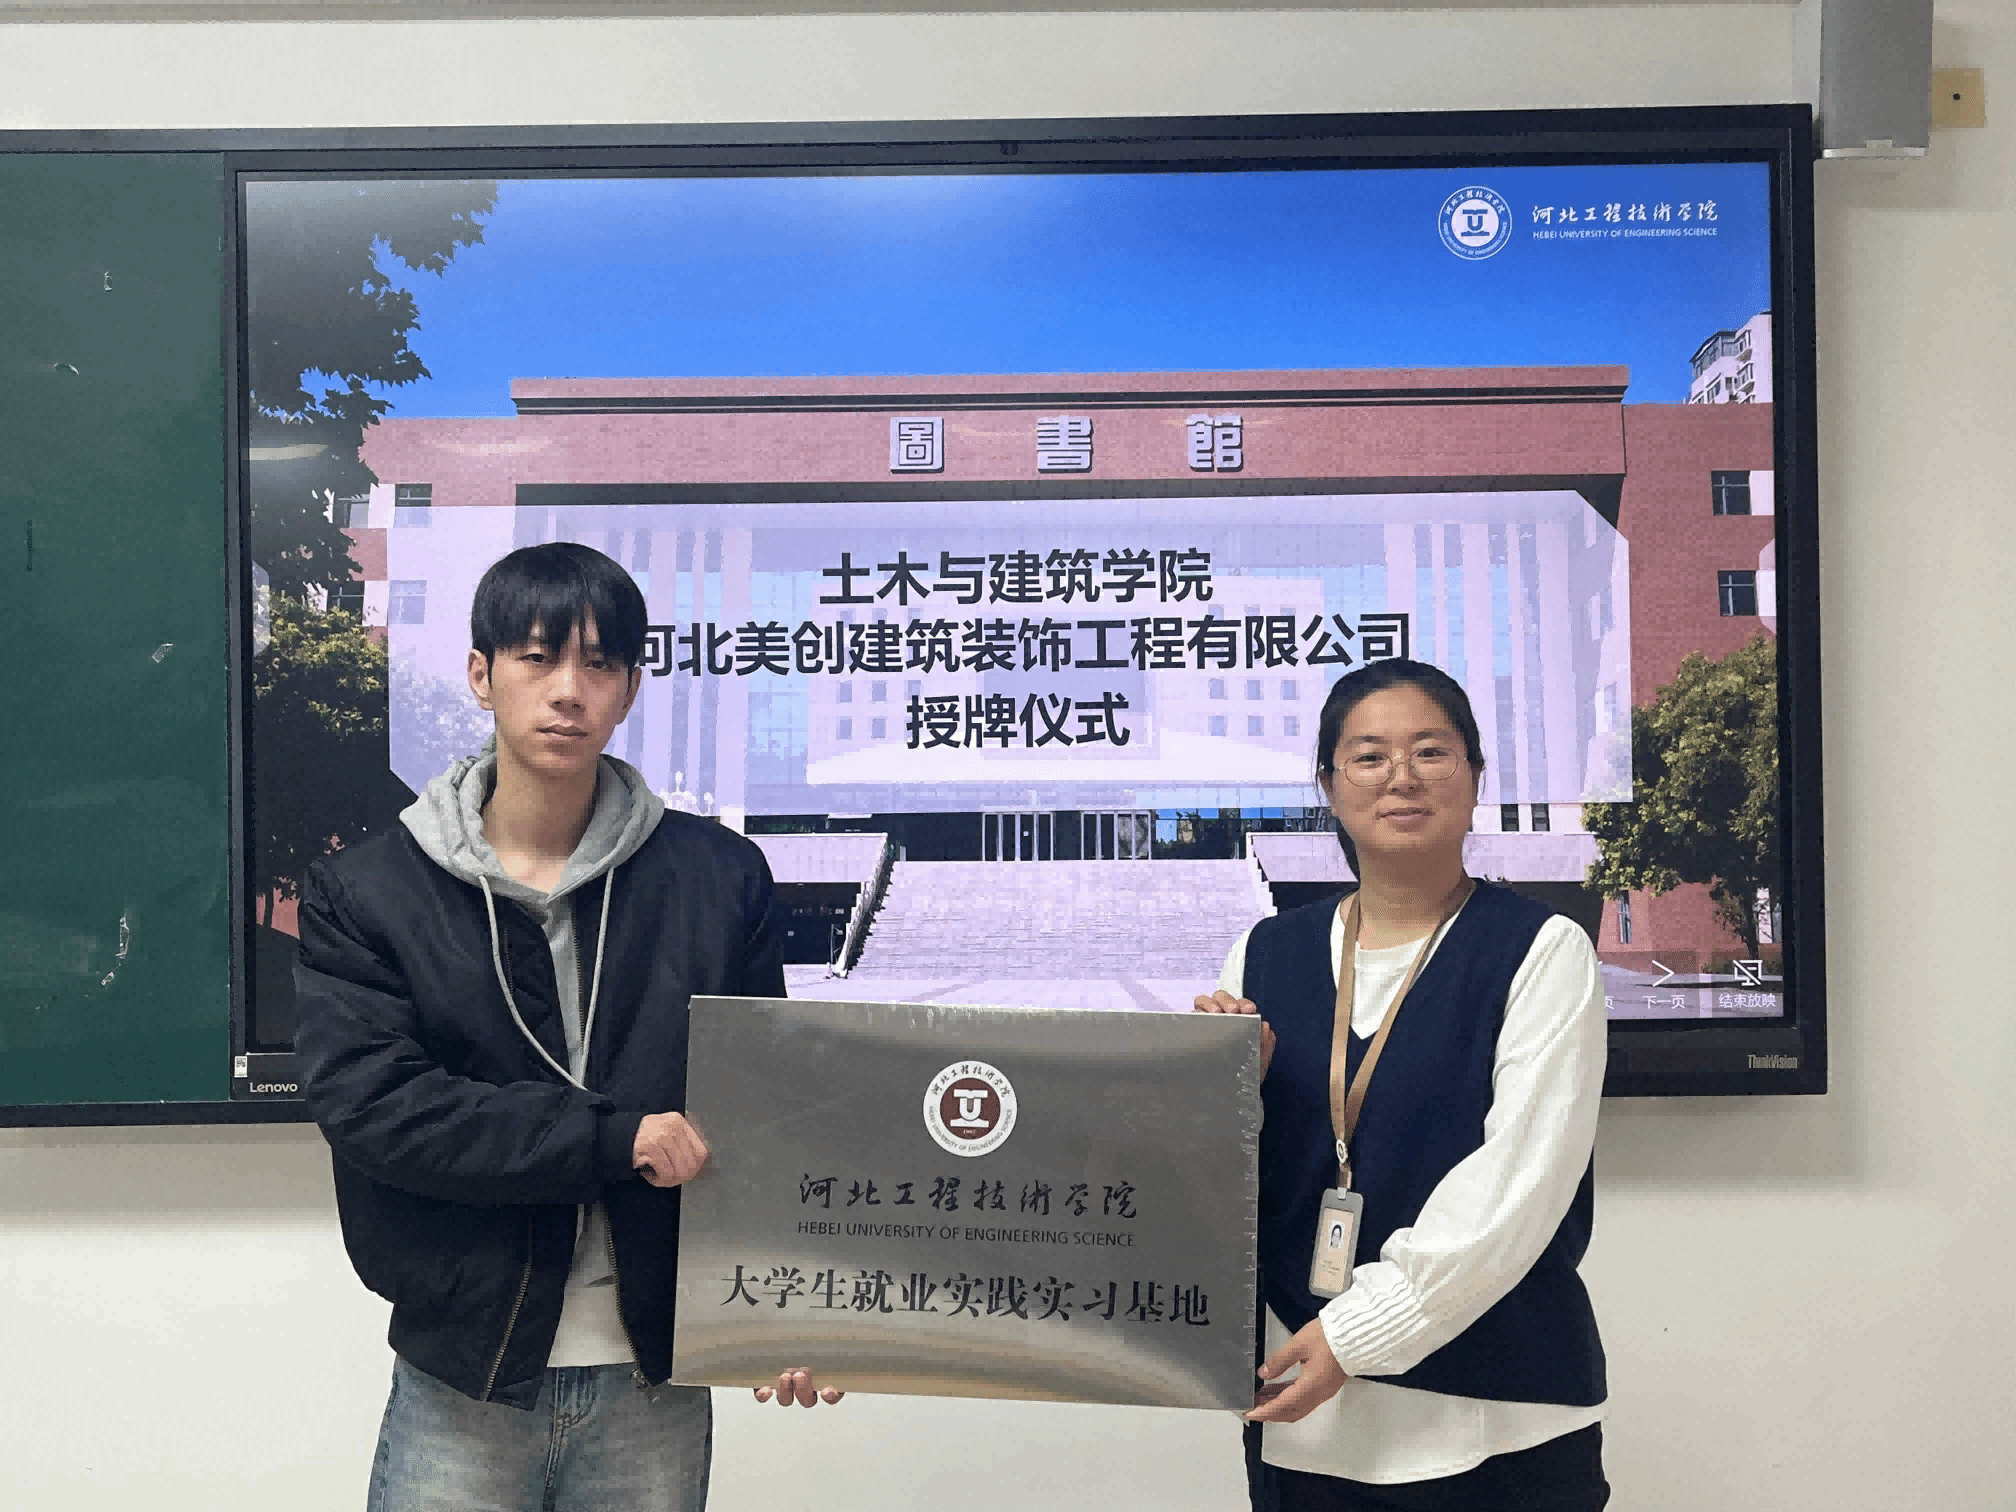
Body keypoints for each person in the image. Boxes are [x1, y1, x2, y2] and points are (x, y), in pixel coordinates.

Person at [294, 542, 836, 1512]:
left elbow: (770, 1114)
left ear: (630, 688)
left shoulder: (719, 880)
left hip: (654, 1378)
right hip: (465, 1371)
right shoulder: (370, 892)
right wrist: (613, 1140)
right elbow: (376, 1109)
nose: (567, 692)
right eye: (536, 658)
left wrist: (793, 1308)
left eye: (599, 663)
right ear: (481, 674)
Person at [1196, 657, 1609, 1512]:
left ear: (1475, 777)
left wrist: (1357, 1335)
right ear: (1328, 785)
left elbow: (1517, 1187)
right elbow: (1220, 1185)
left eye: (1431, 751)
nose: (1402, 777)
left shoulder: (1542, 949)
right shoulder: (1264, 952)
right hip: (1303, 1409)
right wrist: (1220, 1097)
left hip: (1499, 1416)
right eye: (1369, 756)